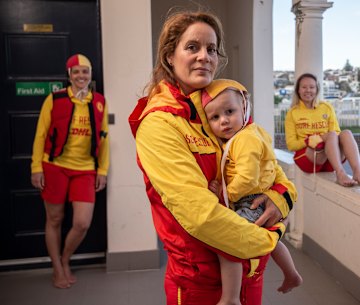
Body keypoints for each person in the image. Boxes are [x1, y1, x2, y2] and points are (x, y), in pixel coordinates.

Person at [128, 11, 296, 305]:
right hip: (202, 283)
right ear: (170, 56)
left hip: (250, 273)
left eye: (211, 48)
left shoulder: (223, 109)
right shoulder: (159, 123)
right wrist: (271, 237)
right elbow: (201, 216)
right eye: (192, 47)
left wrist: (281, 199)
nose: (204, 56)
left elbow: (273, 173)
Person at [202, 79, 303, 304]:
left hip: (250, 200)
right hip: (253, 198)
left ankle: (230, 298)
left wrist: (224, 194)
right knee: (271, 240)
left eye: (230, 111)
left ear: (245, 108)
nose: (224, 121)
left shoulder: (245, 139)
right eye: (215, 118)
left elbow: (247, 179)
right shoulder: (245, 134)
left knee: (228, 241)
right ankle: (291, 274)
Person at [30, 54, 109, 289]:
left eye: (85, 71)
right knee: (54, 219)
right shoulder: (54, 99)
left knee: (82, 222)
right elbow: (40, 135)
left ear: (90, 74)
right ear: (69, 75)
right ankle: (57, 268)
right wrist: (36, 167)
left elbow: (104, 138)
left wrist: (102, 170)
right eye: (76, 72)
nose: (81, 76)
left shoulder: (99, 102)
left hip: (85, 169)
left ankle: (65, 259)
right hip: (54, 166)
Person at [284, 73, 360, 187]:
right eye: (304, 87)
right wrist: (310, 140)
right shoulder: (293, 113)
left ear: (317, 89)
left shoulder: (326, 107)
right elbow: (291, 145)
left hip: (331, 158)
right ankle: (340, 174)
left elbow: (336, 132)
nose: (308, 90)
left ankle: (358, 172)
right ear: (298, 90)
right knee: (330, 135)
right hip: (309, 158)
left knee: (346, 133)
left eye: (311, 87)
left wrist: (324, 138)